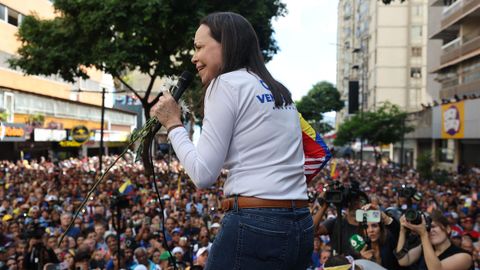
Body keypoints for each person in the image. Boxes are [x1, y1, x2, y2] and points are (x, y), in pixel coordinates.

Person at [153, 11, 313, 270]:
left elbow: (203, 174)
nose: (194, 57)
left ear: (226, 44)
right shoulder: (278, 89)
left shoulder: (225, 84)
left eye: (199, 47)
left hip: (254, 226)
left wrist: (173, 124)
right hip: (301, 224)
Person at [395, 210, 473, 270]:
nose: (430, 231)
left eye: (433, 226)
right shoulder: (425, 248)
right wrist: (402, 231)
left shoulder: (464, 257)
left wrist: (424, 234)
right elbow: (403, 260)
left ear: (448, 229)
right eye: (427, 228)